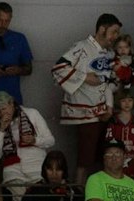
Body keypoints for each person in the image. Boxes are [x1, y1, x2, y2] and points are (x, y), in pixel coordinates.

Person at [50, 12, 120, 179]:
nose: (116, 36)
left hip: (104, 113)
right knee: (85, 160)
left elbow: (109, 82)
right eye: (114, 31)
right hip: (86, 114)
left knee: (103, 159)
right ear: (102, 29)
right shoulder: (81, 48)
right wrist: (85, 77)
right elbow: (58, 69)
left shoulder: (109, 53)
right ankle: (80, 198)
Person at [0, 90, 54, 194]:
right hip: (13, 171)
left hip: (36, 167)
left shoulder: (32, 114)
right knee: (18, 200)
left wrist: (34, 140)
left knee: (38, 198)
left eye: (4, 108)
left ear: (11, 103)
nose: (2, 113)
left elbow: (50, 140)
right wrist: (1, 131)